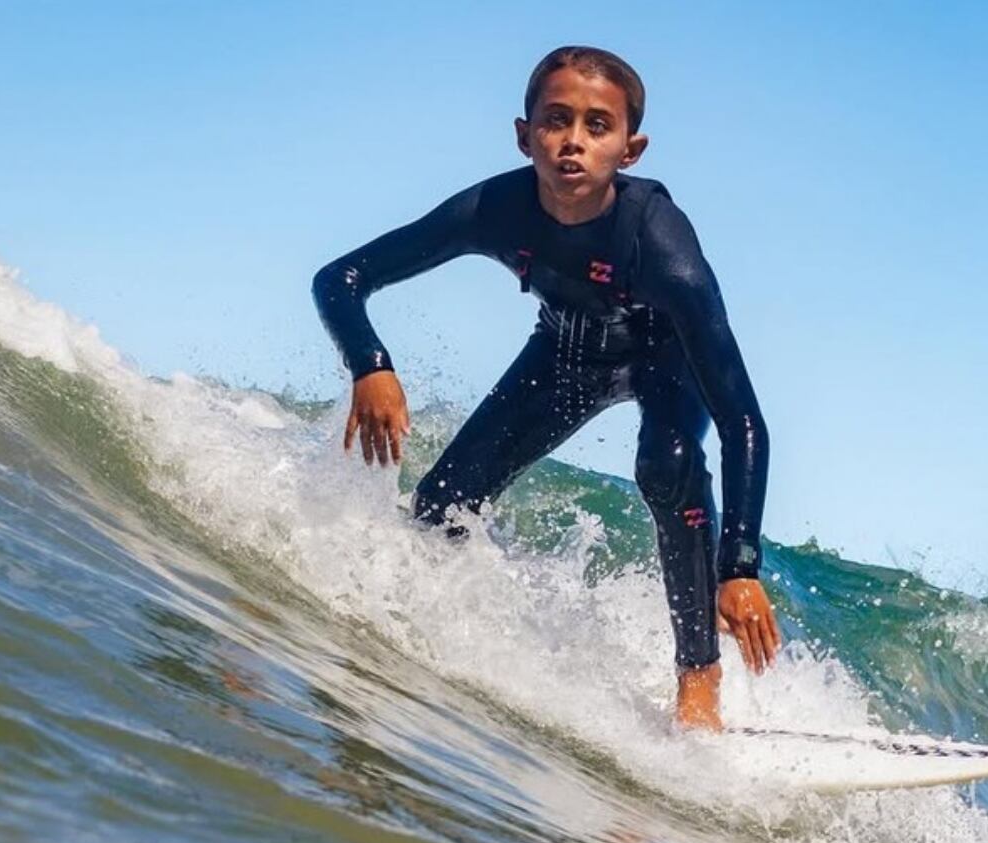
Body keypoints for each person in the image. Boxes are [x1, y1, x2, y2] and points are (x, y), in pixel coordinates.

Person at [312, 46, 778, 730]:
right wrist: (370, 363)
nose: (573, 141)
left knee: (666, 465)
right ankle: (398, 625)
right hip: (566, 352)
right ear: (524, 134)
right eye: (556, 120)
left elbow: (743, 420)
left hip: (666, 361)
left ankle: (699, 679)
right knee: (439, 505)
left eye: (597, 126)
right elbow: (341, 278)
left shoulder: (662, 247)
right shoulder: (493, 209)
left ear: (631, 148)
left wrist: (739, 562)